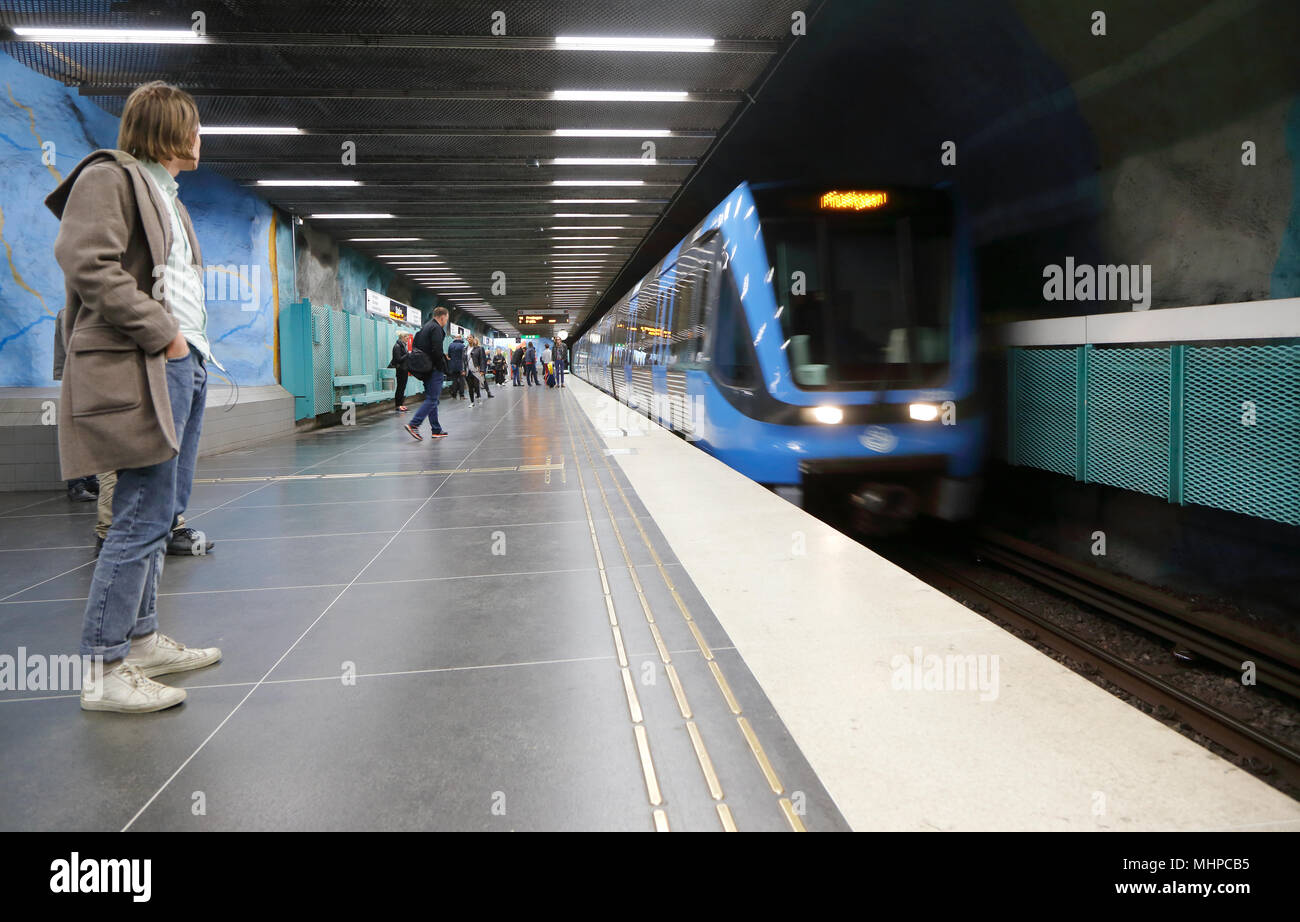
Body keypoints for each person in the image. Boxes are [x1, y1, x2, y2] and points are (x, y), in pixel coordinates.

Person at [47, 80, 222, 713]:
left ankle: (141, 642)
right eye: (194, 126)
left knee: (163, 506)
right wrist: (167, 335)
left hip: (184, 362)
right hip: (149, 362)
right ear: (169, 129)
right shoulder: (111, 177)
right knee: (141, 513)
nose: (200, 137)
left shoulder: (168, 195)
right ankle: (103, 667)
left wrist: (188, 349)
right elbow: (85, 260)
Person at [404, 307, 450, 440]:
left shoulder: (425, 328)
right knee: (432, 399)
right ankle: (414, 424)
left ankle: (436, 430)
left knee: (432, 399)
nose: (446, 322)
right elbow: (437, 350)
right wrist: (442, 367)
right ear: (442, 317)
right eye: (446, 319)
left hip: (424, 368)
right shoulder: (436, 329)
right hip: (434, 369)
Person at [389, 331, 410, 411]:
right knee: (400, 388)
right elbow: (398, 359)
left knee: (402, 387)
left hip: (404, 369)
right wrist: (407, 354)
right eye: (407, 338)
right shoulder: (397, 346)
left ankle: (401, 404)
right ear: (403, 338)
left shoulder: (402, 346)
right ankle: (398, 405)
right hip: (400, 370)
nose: (408, 340)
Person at [468, 334, 493, 400]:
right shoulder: (470, 349)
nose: (474, 342)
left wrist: (482, 369)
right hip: (472, 368)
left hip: (479, 368)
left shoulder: (480, 348)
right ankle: (478, 394)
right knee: (475, 382)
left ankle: (488, 392)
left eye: (475, 341)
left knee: (483, 381)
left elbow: (483, 360)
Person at [447, 331, 468, 402]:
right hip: (461, 366)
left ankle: (454, 394)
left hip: (452, 366)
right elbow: (465, 357)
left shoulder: (450, 345)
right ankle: (461, 395)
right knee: (461, 380)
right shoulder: (463, 346)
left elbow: (449, 356)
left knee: (454, 380)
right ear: (459, 338)